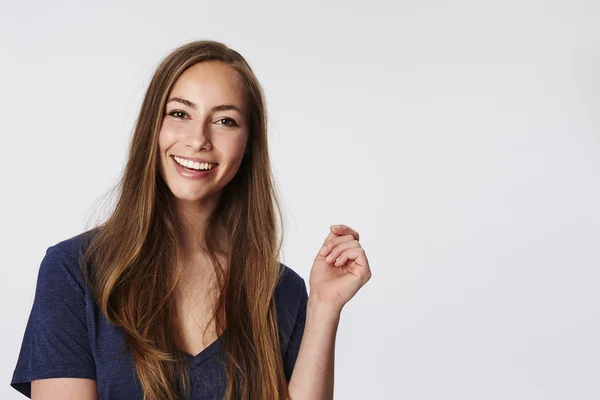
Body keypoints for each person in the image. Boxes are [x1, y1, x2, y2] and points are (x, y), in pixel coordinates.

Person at [10, 40, 372, 400]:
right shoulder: (74, 271)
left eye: (225, 121)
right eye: (180, 113)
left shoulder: (281, 291)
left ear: (248, 146)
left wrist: (324, 308)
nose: (198, 139)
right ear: (152, 125)